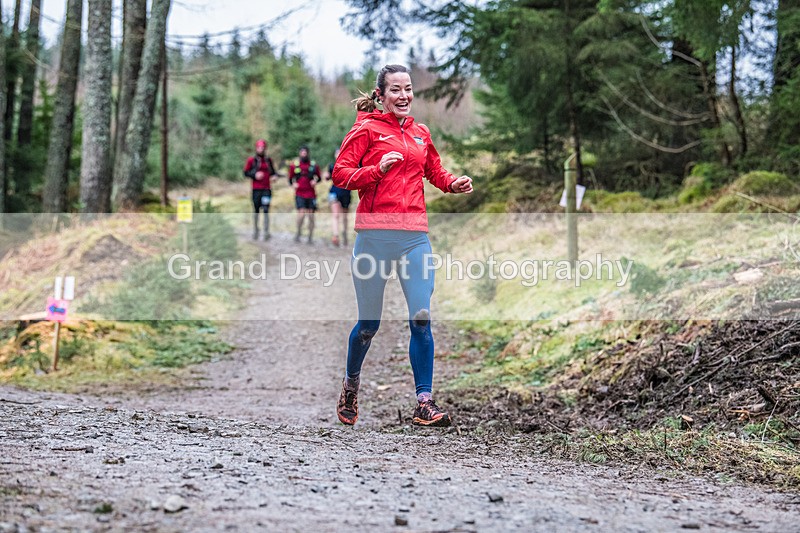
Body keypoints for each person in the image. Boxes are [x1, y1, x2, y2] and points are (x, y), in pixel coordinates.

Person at [332, 64, 473, 427]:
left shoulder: (421, 133)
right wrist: (377, 169)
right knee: (368, 324)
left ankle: (424, 402)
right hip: (374, 238)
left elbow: (434, 171)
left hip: (414, 238)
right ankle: (351, 385)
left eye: (408, 89)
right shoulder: (366, 129)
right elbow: (341, 175)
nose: (404, 96)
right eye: (395, 89)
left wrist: (453, 183)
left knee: (421, 318)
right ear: (381, 95)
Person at [243, 139, 278, 240]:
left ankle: (266, 231)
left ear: (265, 148)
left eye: (263, 147)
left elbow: (273, 172)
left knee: (266, 209)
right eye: (259, 147)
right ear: (256, 148)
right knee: (256, 210)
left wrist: (274, 176)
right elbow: (245, 172)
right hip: (256, 189)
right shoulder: (251, 160)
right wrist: (255, 175)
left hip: (267, 189)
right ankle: (256, 230)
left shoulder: (268, 160)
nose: (261, 149)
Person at [289, 145, 322, 243]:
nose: (304, 154)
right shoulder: (294, 165)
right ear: (300, 153)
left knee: (311, 215)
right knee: (301, 213)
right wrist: (293, 184)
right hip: (300, 193)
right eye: (302, 152)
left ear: (308, 153)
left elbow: (319, 178)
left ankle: (310, 236)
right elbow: (290, 179)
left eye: (305, 152)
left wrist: (315, 181)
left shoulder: (313, 165)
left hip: (311, 194)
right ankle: (298, 232)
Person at [325, 147, 352, 247]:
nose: (338, 155)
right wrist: (327, 176)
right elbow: (327, 176)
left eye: (339, 152)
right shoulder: (332, 166)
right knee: (335, 215)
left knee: (344, 216)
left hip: (346, 193)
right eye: (336, 153)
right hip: (334, 192)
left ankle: (344, 233)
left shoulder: (349, 165)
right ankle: (335, 235)